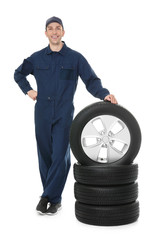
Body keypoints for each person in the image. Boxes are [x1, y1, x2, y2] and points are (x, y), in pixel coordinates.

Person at [14, 16, 118, 215]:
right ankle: (55, 200)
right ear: (45, 33)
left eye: (58, 28)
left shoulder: (75, 58)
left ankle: (46, 196)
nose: (54, 32)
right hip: (42, 112)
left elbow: (91, 80)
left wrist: (104, 94)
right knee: (45, 156)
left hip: (63, 113)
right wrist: (29, 91)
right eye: (50, 29)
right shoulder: (36, 58)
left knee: (60, 155)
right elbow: (18, 74)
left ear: (63, 32)